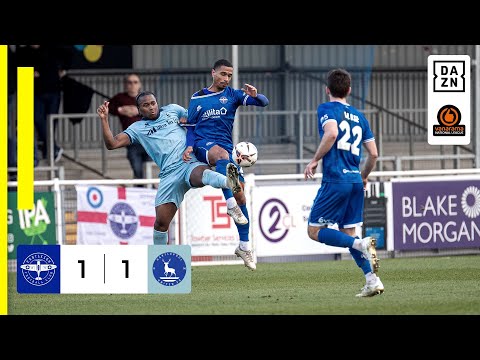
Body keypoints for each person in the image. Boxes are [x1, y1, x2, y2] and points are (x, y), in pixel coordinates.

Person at [97, 91, 243, 245]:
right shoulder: (137, 128)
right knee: (160, 224)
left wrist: (193, 133)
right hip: (169, 176)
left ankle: (229, 181)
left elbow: (194, 122)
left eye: (153, 103)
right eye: (146, 105)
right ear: (139, 110)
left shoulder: (173, 110)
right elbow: (112, 144)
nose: (151, 107)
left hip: (188, 163)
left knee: (201, 175)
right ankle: (160, 262)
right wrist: (104, 119)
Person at [303, 68, 384, 297]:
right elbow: (374, 154)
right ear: (349, 90)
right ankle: (372, 279)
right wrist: (364, 175)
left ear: (327, 89)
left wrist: (315, 159)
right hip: (355, 181)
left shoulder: (326, 108)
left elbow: (331, 134)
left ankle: (361, 244)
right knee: (348, 234)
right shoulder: (360, 116)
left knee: (314, 230)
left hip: (336, 179)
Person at [183, 59, 269, 271]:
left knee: (242, 197)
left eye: (229, 75)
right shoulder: (198, 98)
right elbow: (191, 127)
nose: (226, 79)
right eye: (223, 74)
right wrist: (189, 146)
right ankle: (230, 206)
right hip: (204, 146)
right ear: (213, 73)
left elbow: (264, 103)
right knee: (221, 156)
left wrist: (256, 95)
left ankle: (244, 247)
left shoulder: (233, 95)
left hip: (226, 150)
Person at [16, 45, 72, 163]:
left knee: (51, 122)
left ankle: (49, 151)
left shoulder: (52, 48)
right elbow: (18, 65)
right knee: (37, 119)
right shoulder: (24, 51)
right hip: (34, 92)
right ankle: (53, 148)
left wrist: (65, 69)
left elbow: (69, 53)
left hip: (53, 90)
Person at [108, 73, 152, 180]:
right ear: (125, 85)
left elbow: (155, 112)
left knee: (149, 170)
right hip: (132, 140)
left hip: (149, 139)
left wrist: (138, 111)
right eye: (130, 82)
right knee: (137, 171)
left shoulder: (146, 97)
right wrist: (120, 110)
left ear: (139, 85)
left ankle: (148, 192)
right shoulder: (120, 98)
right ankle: (140, 191)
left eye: (135, 82)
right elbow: (108, 107)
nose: (132, 85)